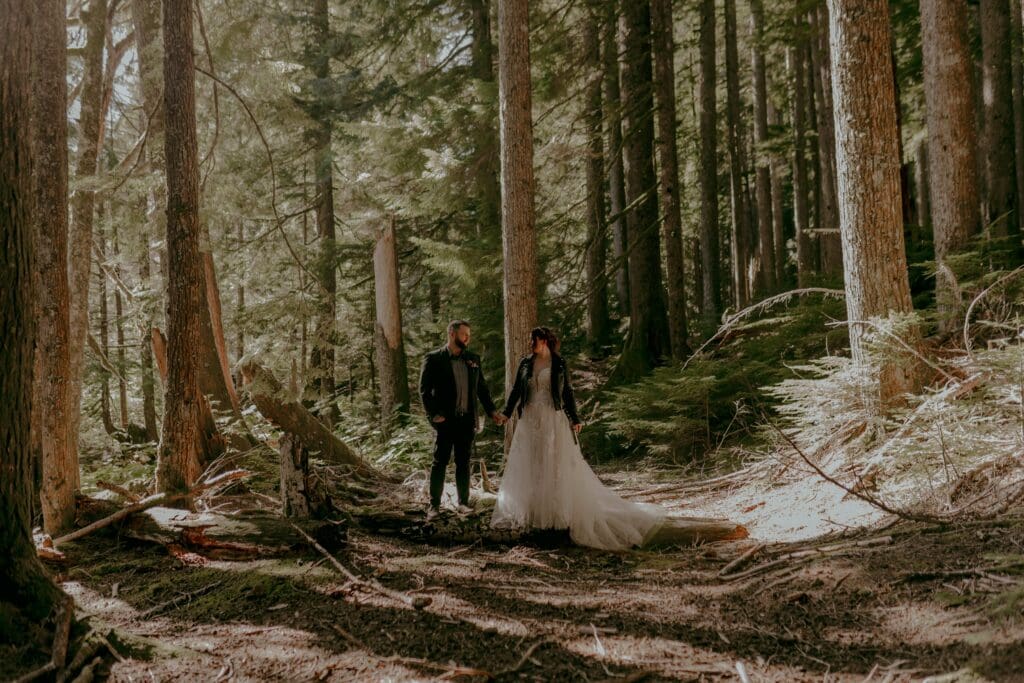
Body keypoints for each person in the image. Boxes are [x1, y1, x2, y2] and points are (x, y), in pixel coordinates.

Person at [491, 327, 666, 550]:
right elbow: (517, 389)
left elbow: (567, 392)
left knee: (554, 466)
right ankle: (535, 517)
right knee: (533, 465)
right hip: (530, 420)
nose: (530, 343)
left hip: (552, 420)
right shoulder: (526, 363)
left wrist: (575, 417)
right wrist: (506, 413)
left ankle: (557, 519)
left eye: (533, 340)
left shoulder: (559, 363)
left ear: (544, 341)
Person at [419, 320, 504, 520]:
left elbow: (482, 389)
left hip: (467, 421)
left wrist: (492, 412)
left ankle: (463, 503)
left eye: (469, 335)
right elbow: (424, 391)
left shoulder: (473, 359)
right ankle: (434, 506)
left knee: (463, 463)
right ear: (451, 334)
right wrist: (434, 415)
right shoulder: (434, 359)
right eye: (464, 334)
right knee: (439, 462)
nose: (468, 338)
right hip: (445, 421)